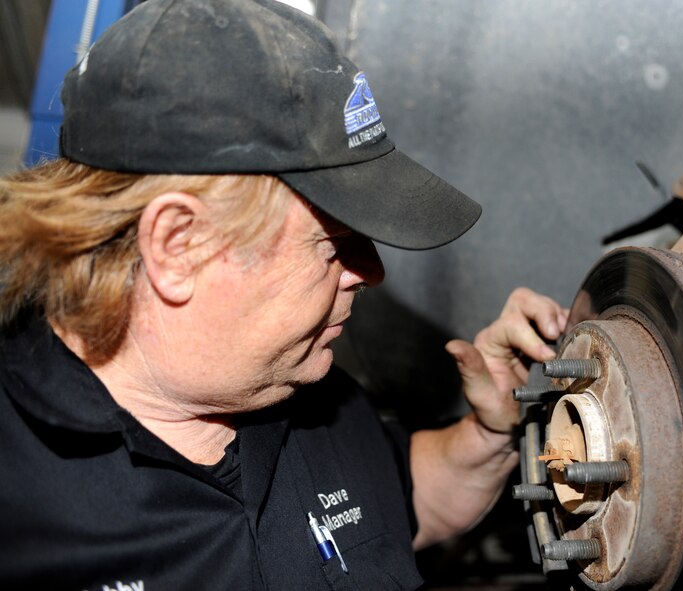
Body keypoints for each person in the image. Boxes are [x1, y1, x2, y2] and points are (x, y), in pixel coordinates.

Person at [0, 1, 568, 589]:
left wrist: (489, 433)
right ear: (179, 245)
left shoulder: (317, 398)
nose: (371, 273)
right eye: (334, 243)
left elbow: (404, 500)